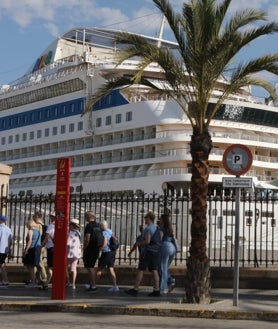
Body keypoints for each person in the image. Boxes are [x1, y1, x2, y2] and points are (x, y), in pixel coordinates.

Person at [125, 211, 162, 297]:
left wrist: (139, 243)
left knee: (141, 269)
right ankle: (157, 290)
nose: (144, 220)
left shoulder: (148, 229)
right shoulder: (156, 228)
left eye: (145, 218)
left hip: (148, 251)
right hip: (156, 251)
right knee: (154, 270)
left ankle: (135, 289)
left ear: (148, 219)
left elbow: (147, 241)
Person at [96, 220, 119, 292]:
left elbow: (105, 243)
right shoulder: (110, 231)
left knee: (99, 269)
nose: (99, 227)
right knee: (111, 268)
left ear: (102, 226)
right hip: (112, 252)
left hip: (106, 252)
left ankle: (92, 284)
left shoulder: (103, 233)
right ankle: (115, 286)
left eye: (100, 225)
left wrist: (100, 249)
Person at [83, 211, 102, 292]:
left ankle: (93, 286)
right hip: (96, 249)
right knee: (92, 267)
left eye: (85, 216)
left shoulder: (89, 226)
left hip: (90, 249)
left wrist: (84, 247)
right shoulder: (98, 225)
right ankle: (92, 284)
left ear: (89, 216)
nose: (85, 217)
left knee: (90, 268)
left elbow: (87, 238)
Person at [158, 214, 176, 294]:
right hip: (172, 248)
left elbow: (159, 239)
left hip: (165, 247)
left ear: (163, 220)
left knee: (162, 267)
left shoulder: (162, 229)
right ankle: (170, 280)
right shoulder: (170, 229)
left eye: (160, 219)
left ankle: (163, 288)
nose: (159, 220)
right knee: (165, 267)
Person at [23, 219, 41, 288]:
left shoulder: (30, 231)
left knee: (30, 267)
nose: (27, 226)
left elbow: (29, 241)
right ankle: (35, 280)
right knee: (32, 267)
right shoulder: (38, 232)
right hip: (36, 250)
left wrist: (26, 250)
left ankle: (33, 283)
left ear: (29, 225)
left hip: (31, 250)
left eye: (27, 225)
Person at [40, 211, 55, 290]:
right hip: (58, 248)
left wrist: (41, 246)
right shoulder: (64, 226)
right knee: (53, 266)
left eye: (51, 216)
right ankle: (46, 283)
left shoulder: (51, 226)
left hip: (51, 248)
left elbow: (47, 237)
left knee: (50, 266)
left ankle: (47, 283)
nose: (50, 218)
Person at [32, 212, 47, 285]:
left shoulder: (38, 225)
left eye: (34, 216)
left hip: (38, 246)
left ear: (37, 217)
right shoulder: (43, 225)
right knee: (37, 263)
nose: (32, 218)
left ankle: (43, 278)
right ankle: (38, 279)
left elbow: (37, 236)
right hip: (41, 246)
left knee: (39, 263)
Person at [67, 218, 82, 290]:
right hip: (77, 253)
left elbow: (67, 243)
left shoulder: (70, 233)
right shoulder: (78, 233)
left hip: (69, 253)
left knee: (65, 268)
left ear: (72, 225)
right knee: (74, 268)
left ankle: (68, 282)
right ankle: (73, 284)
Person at [0, 215, 13, 287]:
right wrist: (10, 251)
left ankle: (5, 280)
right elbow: (11, 241)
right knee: (2, 265)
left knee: (2, 266)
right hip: (5, 250)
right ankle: (5, 279)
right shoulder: (8, 229)